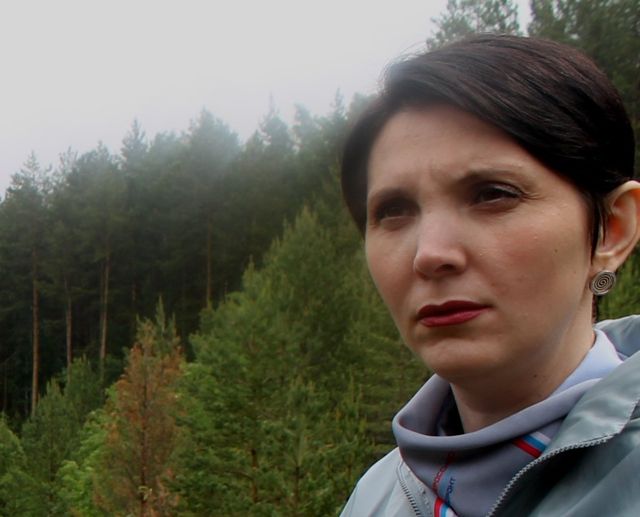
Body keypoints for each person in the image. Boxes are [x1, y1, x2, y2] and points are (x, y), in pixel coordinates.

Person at [339, 35, 640, 516]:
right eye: (394, 210)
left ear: (612, 230)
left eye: (492, 194)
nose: (430, 254)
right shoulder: (374, 497)